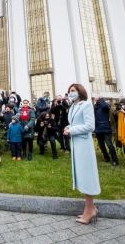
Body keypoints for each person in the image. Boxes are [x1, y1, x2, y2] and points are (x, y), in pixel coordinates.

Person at [64, 83, 100, 224]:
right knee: (82, 176)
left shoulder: (86, 105)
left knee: (87, 177)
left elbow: (90, 126)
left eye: (72, 90)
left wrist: (71, 130)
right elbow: (75, 123)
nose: (70, 93)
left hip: (84, 145)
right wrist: (68, 128)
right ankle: (91, 208)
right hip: (77, 144)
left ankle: (89, 211)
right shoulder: (72, 107)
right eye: (69, 91)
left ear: (80, 91)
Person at [94, 96, 118, 166]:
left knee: (109, 145)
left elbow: (106, 107)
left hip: (105, 128)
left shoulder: (105, 105)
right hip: (98, 128)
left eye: (98, 99)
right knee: (101, 145)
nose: (97, 100)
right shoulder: (95, 107)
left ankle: (115, 160)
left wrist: (101, 99)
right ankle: (106, 157)